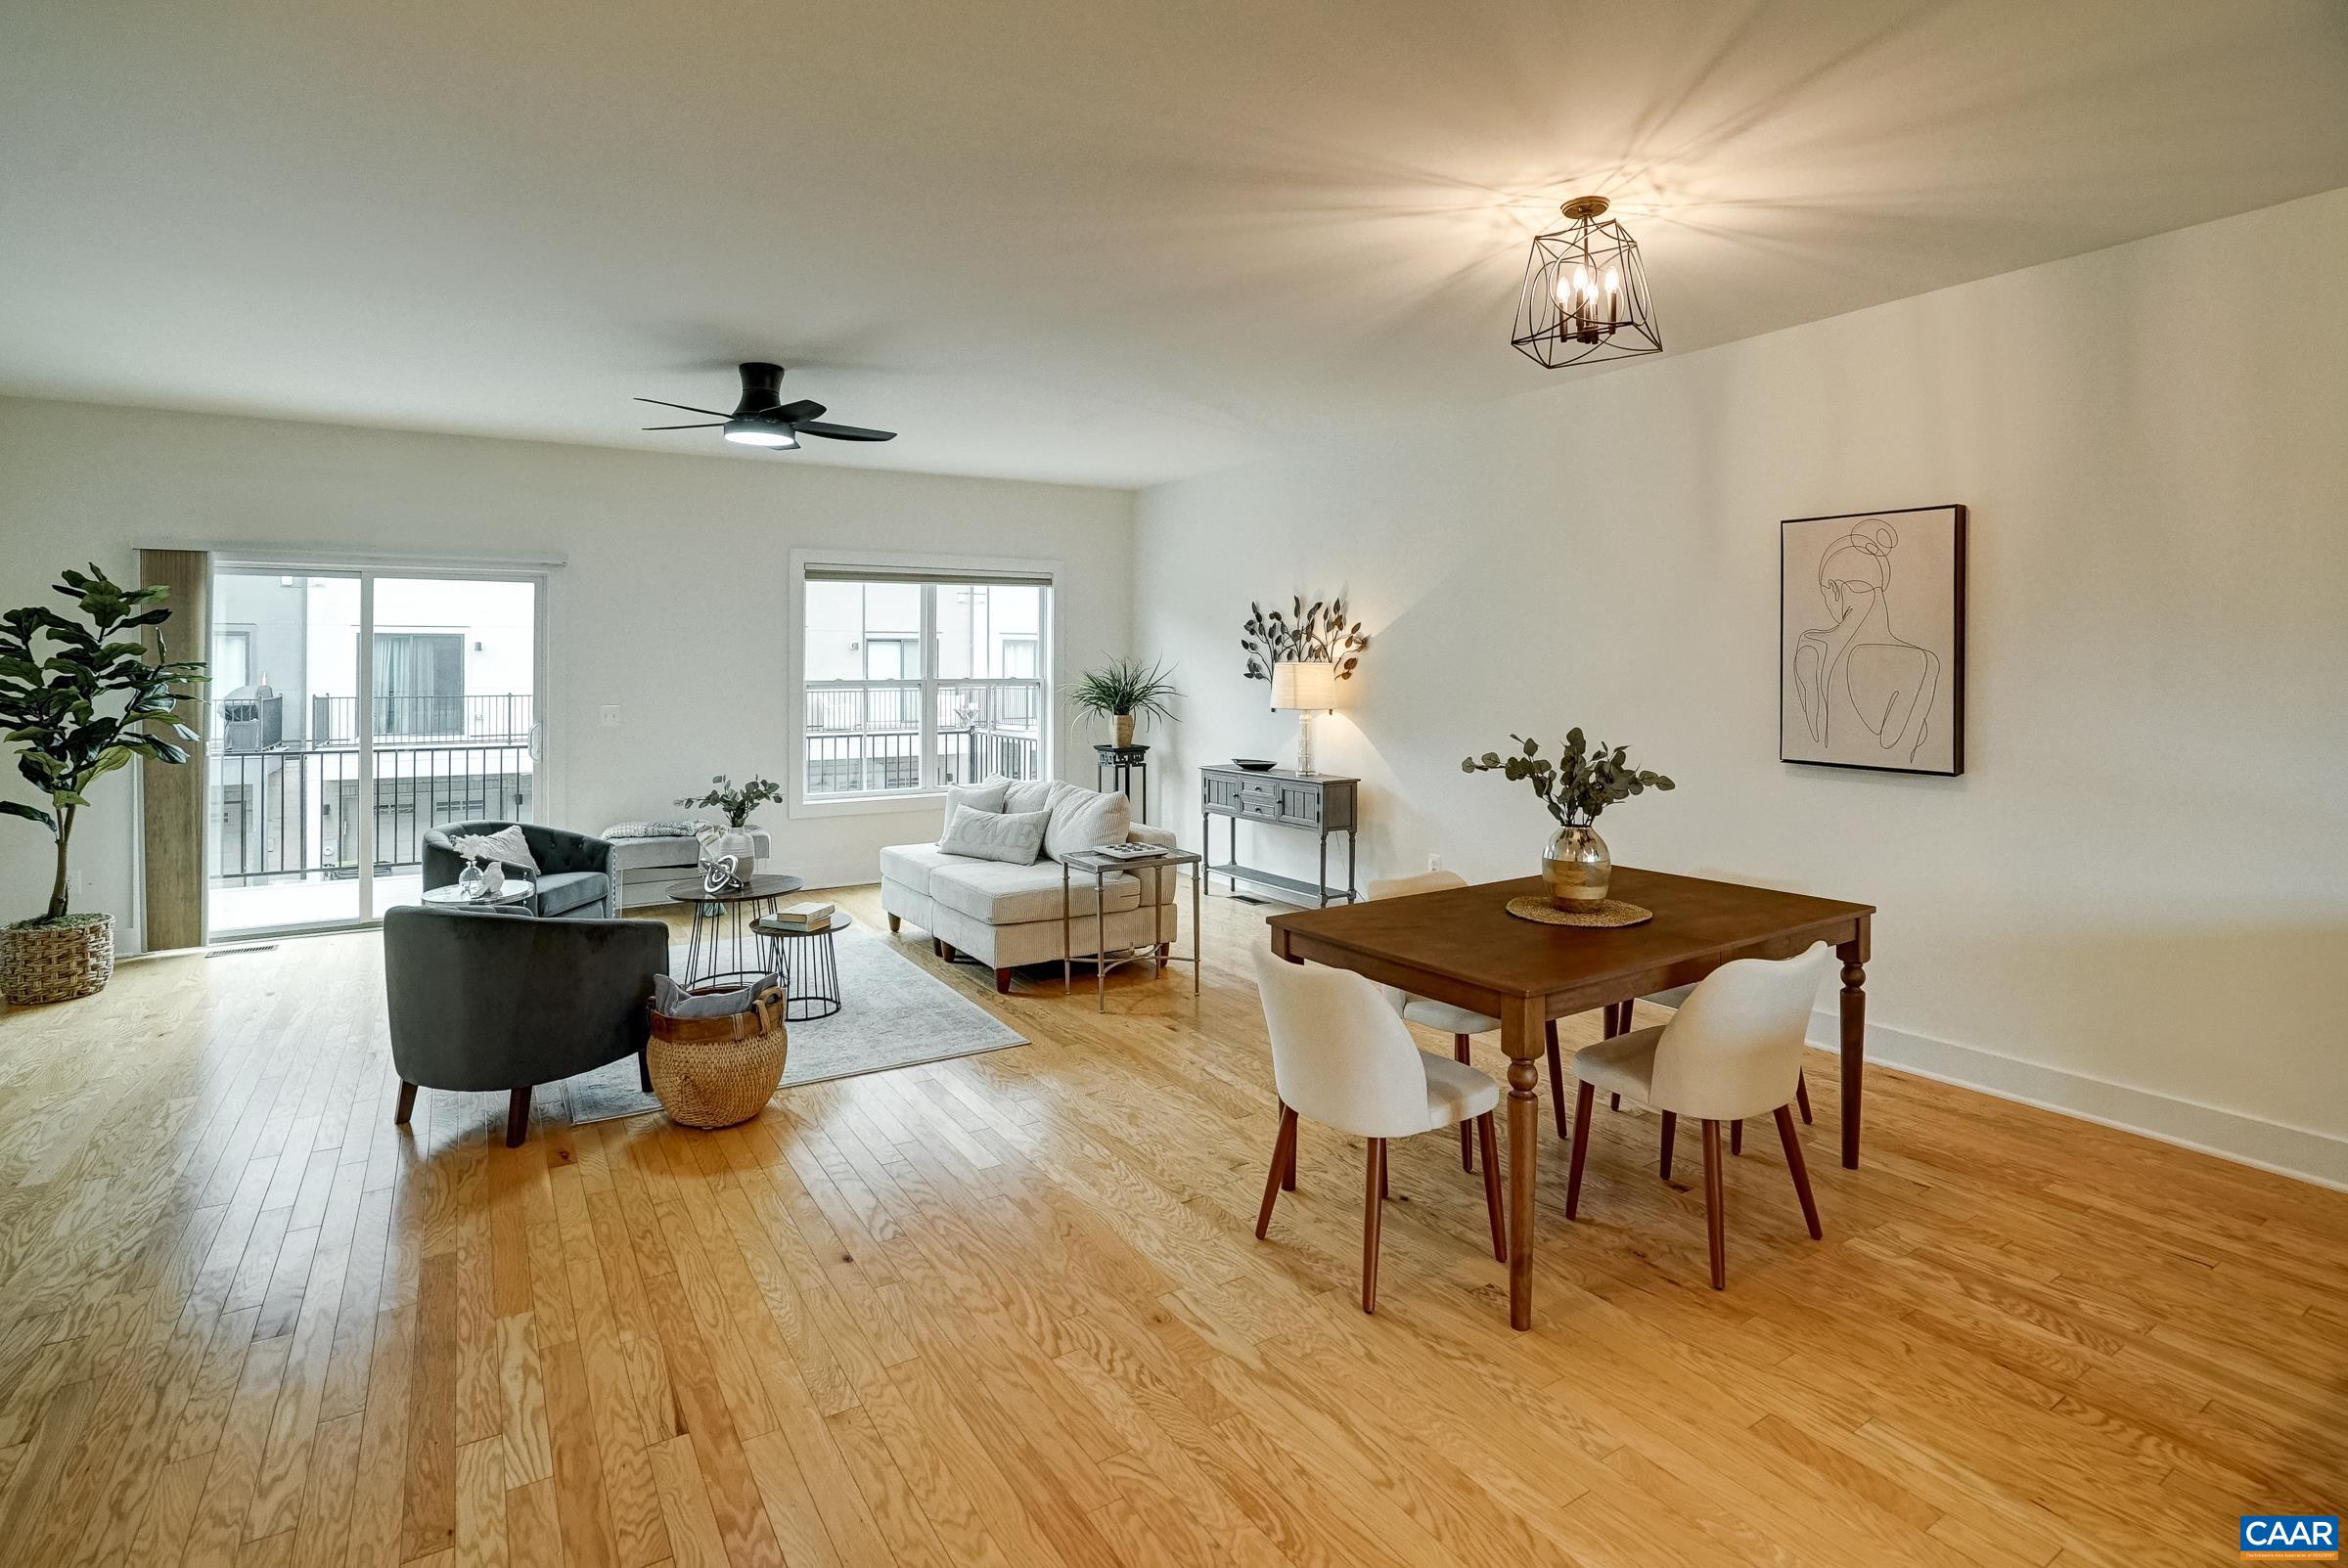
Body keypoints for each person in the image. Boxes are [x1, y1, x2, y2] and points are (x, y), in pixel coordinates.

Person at [1792, 518, 1939, 762]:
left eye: (1825, 593)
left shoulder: (1811, 647)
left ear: (1835, 589)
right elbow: (1894, 746)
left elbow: (1814, 741)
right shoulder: (1920, 661)